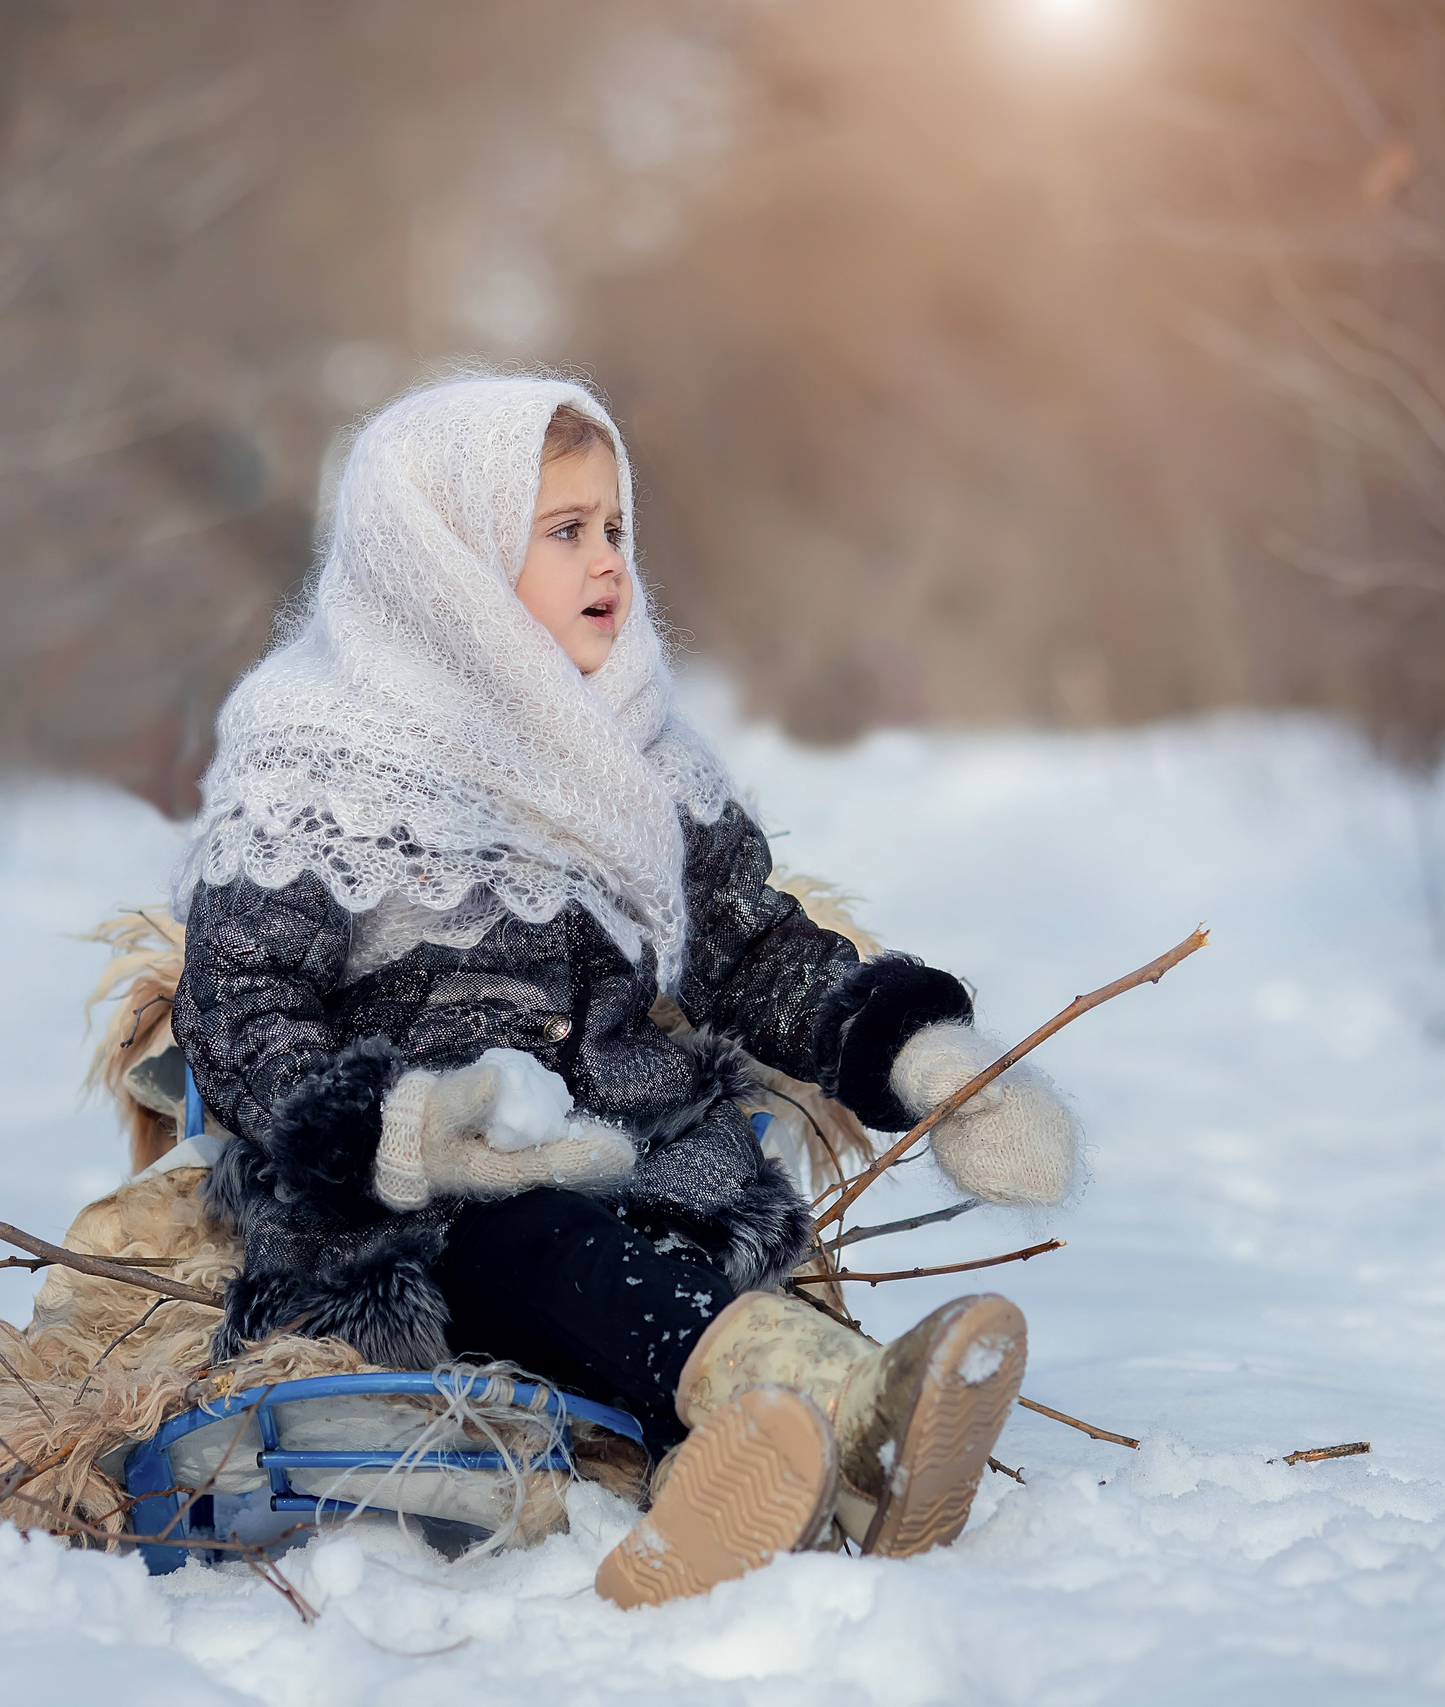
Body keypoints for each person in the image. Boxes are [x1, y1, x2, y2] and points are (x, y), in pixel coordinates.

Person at [168, 374, 1081, 1607]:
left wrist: (921, 1059)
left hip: (638, 1157)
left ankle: (791, 1470)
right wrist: (399, 1130)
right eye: (563, 532)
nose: (608, 561)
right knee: (539, 1246)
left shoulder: (635, 744)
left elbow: (752, 948)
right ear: (448, 561)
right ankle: (829, 1410)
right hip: (425, 1201)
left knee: (651, 1251)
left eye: (614, 528)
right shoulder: (321, 760)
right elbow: (242, 1003)